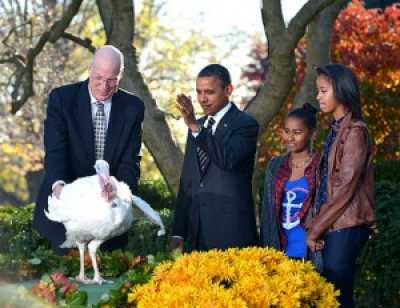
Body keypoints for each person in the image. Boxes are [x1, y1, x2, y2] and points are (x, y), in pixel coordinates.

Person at [33, 45, 145, 255]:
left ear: (120, 75)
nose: (104, 86)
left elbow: (130, 161)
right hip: (65, 214)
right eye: (98, 78)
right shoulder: (62, 99)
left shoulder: (133, 107)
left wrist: (120, 190)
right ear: (89, 70)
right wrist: (60, 188)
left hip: (110, 219)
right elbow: (56, 152)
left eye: (112, 80)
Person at [307, 64, 375, 308]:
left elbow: (345, 189)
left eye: (323, 91)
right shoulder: (335, 131)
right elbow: (325, 185)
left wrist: (315, 229)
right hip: (332, 224)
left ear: (341, 90)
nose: (318, 96)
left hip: (346, 224)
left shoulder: (355, 131)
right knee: (328, 296)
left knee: (337, 297)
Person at [171, 64, 259, 252]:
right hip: (196, 234)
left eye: (209, 92)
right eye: (199, 92)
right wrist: (179, 230)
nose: (202, 99)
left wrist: (195, 126)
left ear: (228, 90)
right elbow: (188, 179)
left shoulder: (245, 124)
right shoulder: (198, 126)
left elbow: (227, 159)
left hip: (231, 233)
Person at [260, 103, 320, 260]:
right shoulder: (275, 166)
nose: (290, 138)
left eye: (297, 132)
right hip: (280, 250)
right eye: (287, 132)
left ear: (313, 134)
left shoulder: (321, 166)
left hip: (310, 250)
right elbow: (267, 212)